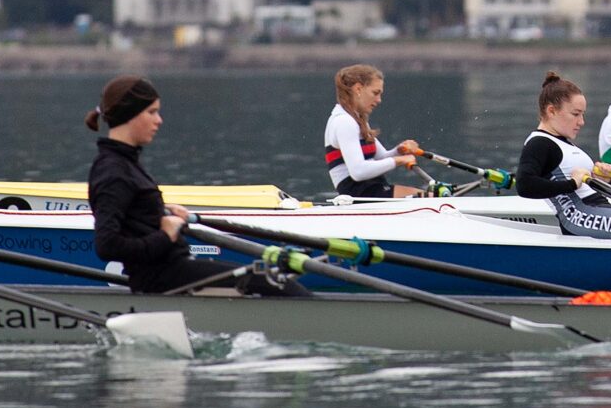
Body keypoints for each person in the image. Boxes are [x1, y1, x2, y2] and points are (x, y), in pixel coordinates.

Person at [87, 76, 306, 295]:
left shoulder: (125, 162)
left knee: (279, 282)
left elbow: (134, 215)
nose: (159, 121)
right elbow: (107, 245)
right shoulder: (113, 171)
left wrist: (159, 211)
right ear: (130, 114)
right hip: (162, 279)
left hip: (173, 270)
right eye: (151, 112)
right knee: (283, 287)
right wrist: (165, 236)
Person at [518, 70, 611, 240]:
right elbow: (525, 185)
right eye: (576, 114)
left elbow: (578, 179)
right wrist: (572, 184)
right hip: (578, 215)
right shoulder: (539, 143)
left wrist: (600, 176)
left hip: (597, 208)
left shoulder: (562, 141)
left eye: (582, 114)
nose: (581, 122)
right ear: (552, 111)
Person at [325, 63, 421, 199]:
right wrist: (399, 160)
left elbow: (380, 159)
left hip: (374, 191)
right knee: (432, 197)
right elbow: (358, 171)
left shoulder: (358, 120)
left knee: (433, 195)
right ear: (358, 89)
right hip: (361, 196)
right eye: (375, 93)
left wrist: (399, 151)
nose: (379, 100)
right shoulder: (344, 122)